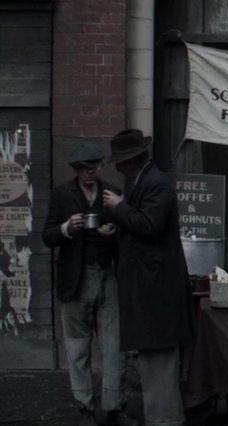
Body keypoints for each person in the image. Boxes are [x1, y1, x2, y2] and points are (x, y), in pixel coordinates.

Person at [101, 129, 193, 425]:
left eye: (120, 162)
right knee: (155, 367)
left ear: (132, 160)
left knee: (159, 367)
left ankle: (165, 421)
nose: (118, 168)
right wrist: (119, 228)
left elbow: (150, 225)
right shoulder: (148, 181)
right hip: (151, 293)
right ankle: (164, 419)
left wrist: (118, 208)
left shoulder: (155, 183)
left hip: (156, 294)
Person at [43, 143, 128, 424]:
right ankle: (85, 409)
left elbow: (127, 235)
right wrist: (66, 228)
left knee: (114, 348)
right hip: (75, 281)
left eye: (95, 166)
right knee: (78, 349)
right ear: (76, 170)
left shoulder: (112, 193)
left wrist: (113, 232)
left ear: (102, 166)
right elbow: (47, 236)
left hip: (107, 277)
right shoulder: (61, 194)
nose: (91, 172)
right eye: (85, 168)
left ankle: (114, 408)